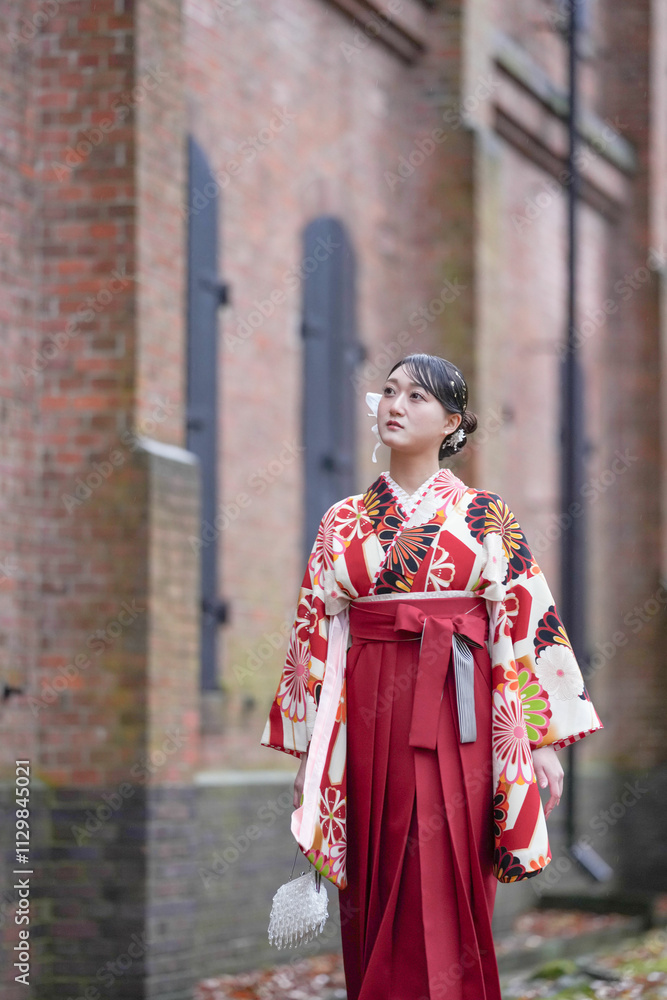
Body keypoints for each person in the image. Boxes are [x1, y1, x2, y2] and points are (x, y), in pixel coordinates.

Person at [260, 353, 603, 1000]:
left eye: (416, 397)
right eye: (388, 391)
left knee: (450, 862)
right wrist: (311, 751)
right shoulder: (342, 521)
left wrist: (540, 741)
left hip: (462, 702)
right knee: (375, 864)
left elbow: (524, 622)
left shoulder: (485, 515)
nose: (394, 404)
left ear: (451, 422)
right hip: (364, 707)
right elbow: (315, 632)